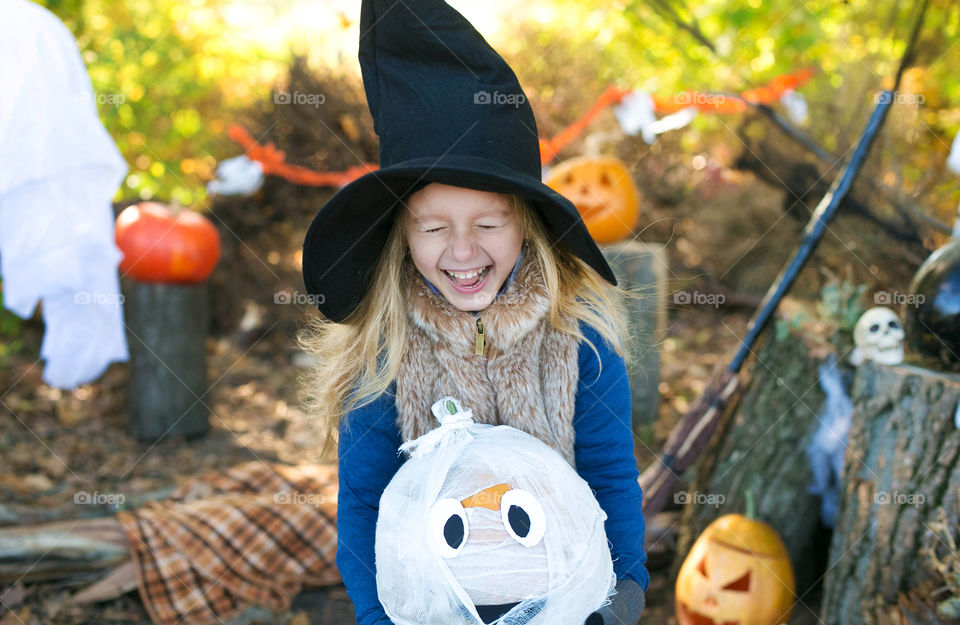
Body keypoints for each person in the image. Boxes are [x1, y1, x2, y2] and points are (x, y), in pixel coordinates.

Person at [298, 1, 649, 624]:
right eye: (433, 227)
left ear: (526, 223)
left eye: (488, 223)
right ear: (402, 233)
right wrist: (381, 618)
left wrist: (623, 589)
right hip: (432, 607)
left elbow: (609, 477)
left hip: (561, 601)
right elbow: (362, 506)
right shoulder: (383, 352)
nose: (462, 252)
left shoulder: (582, 341)